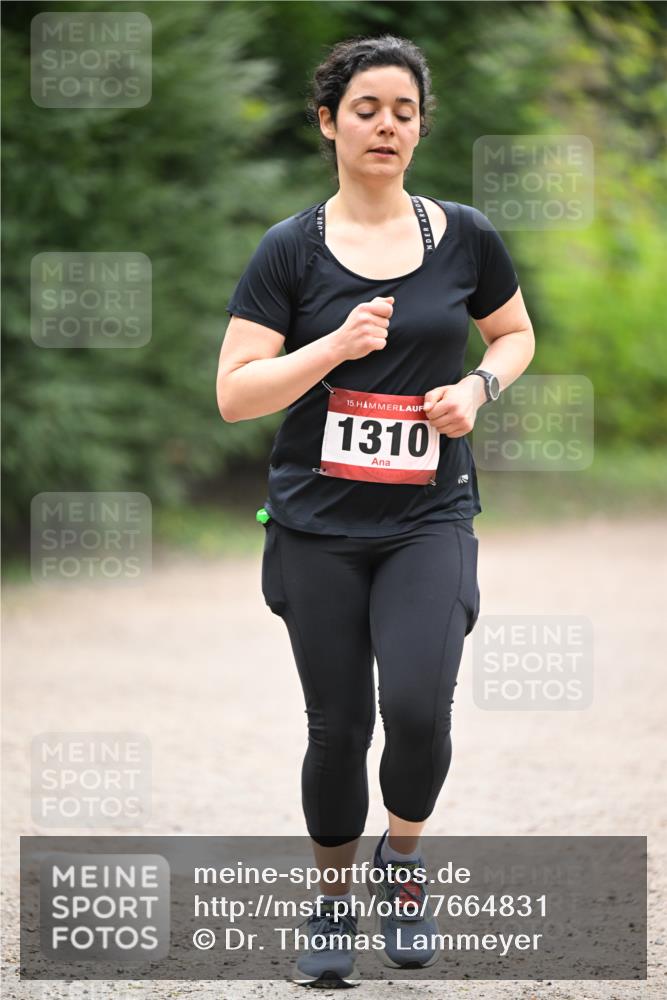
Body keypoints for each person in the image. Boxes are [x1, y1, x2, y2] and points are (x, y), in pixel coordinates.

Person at [217, 33, 535, 988]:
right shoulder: (289, 249)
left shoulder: (465, 236)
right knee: (339, 726)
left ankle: (401, 862)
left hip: (428, 517)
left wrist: (477, 387)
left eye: (403, 111)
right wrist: (331, 349)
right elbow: (235, 392)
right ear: (329, 123)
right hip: (315, 526)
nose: (386, 125)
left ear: (420, 129)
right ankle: (328, 903)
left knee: (418, 709)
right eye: (365, 109)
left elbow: (514, 334)